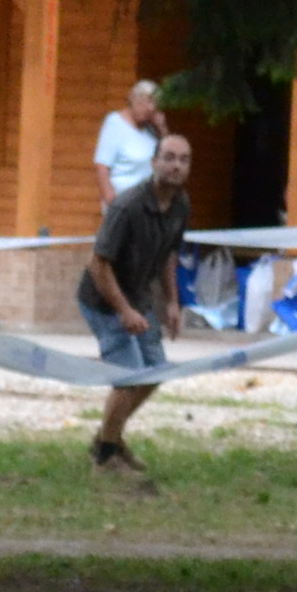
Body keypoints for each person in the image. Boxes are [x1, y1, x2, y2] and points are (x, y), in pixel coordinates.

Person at [84, 131, 194, 486]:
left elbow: (169, 255)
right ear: (154, 162)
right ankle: (105, 457)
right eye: (169, 157)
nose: (176, 166)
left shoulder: (181, 205)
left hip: (138, 298)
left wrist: (172, 302)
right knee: (129, 377)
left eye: (184, 159)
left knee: (155, 372)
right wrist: (123, 311)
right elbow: (97, 264)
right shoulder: (127, 206)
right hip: (103, 301)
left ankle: (108, 438)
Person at [92, 77, 163, 216]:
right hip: (122, 206)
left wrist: (162, 129)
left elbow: (167, 158)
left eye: (154, 104)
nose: (150, 109)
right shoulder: (115, 123)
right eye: (146, 102)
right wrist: (112, 205)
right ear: (134, 100)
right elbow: (102, 167)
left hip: (146, 209)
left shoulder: (150, 131)